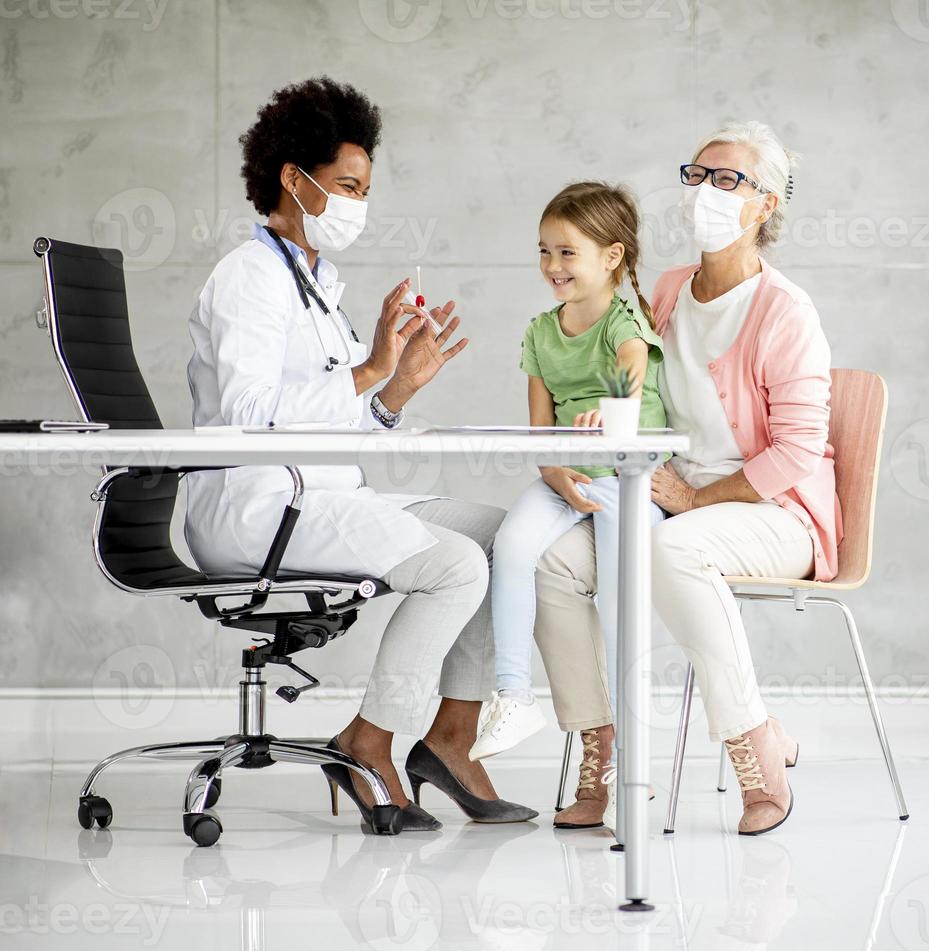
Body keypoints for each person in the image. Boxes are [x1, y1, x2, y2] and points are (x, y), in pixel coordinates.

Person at [184, 76, 537, 830]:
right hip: (257, 508)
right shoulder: (248, 279)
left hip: (321, 495)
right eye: (345, 184)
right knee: (455, 565)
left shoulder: (312, 284)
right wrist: (372, 369)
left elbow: (343, 418)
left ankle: (447, 740)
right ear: (292, 178)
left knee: (503, 537)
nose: (356, 204)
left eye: (364, 189)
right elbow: (249, 418)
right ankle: (369, 742)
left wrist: (396, 387)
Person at [535, 121, 839, 835]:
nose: (707, 192)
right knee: (554, 561)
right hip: (668, 496)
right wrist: (567, 449)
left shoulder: (784, 311)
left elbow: (798, 451)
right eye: (698, 177)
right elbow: (614, 385)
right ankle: (600, 749)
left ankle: (751, 745)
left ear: (764, 205)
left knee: (674, 549)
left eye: (729, 180)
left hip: (771, 511)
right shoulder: (667, 291)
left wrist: (699, 497)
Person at [469, 182, 667, 772]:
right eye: (544, 251)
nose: (552, 266)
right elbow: (539, 432)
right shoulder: (538, 333)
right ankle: (512, 695)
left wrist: (605, 413)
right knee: (511, 546)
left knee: (616, 598)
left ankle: (631, 755)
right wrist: (555, 469)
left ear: (612, 257)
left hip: (625, 477)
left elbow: (630, 378)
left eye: (567, 252)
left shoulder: (624, 324)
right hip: (569, 477)